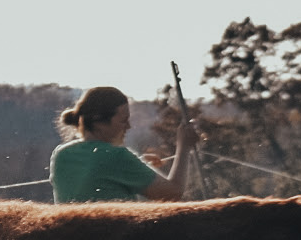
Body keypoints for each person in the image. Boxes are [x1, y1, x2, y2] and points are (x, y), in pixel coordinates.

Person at [49, 85, 194, 203]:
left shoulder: (61, 155)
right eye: (123, 121)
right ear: (99, 122)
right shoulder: (117, 157)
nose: (128, 126)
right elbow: (173, 193)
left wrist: (137, 164)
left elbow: (95, 175)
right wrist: (184, 146)